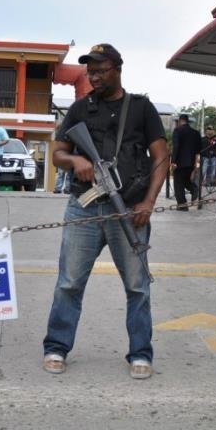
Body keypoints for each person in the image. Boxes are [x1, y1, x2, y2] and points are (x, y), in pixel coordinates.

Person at [42, 43, 168, 380]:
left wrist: (149, 203)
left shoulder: (141, 108)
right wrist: (76, 161)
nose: (94, 76)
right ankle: (56, 346)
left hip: (128, 208)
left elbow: (161, 158)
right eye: (90, 71)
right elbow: (57, 154)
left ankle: (140, 353)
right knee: (69, 283)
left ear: (117, 69)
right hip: (84, 208)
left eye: (100, 70)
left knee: (138, 286)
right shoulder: (80, 109)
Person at [170, 113, 201, 209]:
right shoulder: (196, 133)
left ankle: (182, 205)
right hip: (191, 162)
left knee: (178, 184)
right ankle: (194, 189)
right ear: (188, 121)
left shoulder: (177, 131)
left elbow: (176, 147)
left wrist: (173, 162)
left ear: (180, 121)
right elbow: (198, 150)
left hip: (179, 163)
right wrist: (196, 164)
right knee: (187, 180)